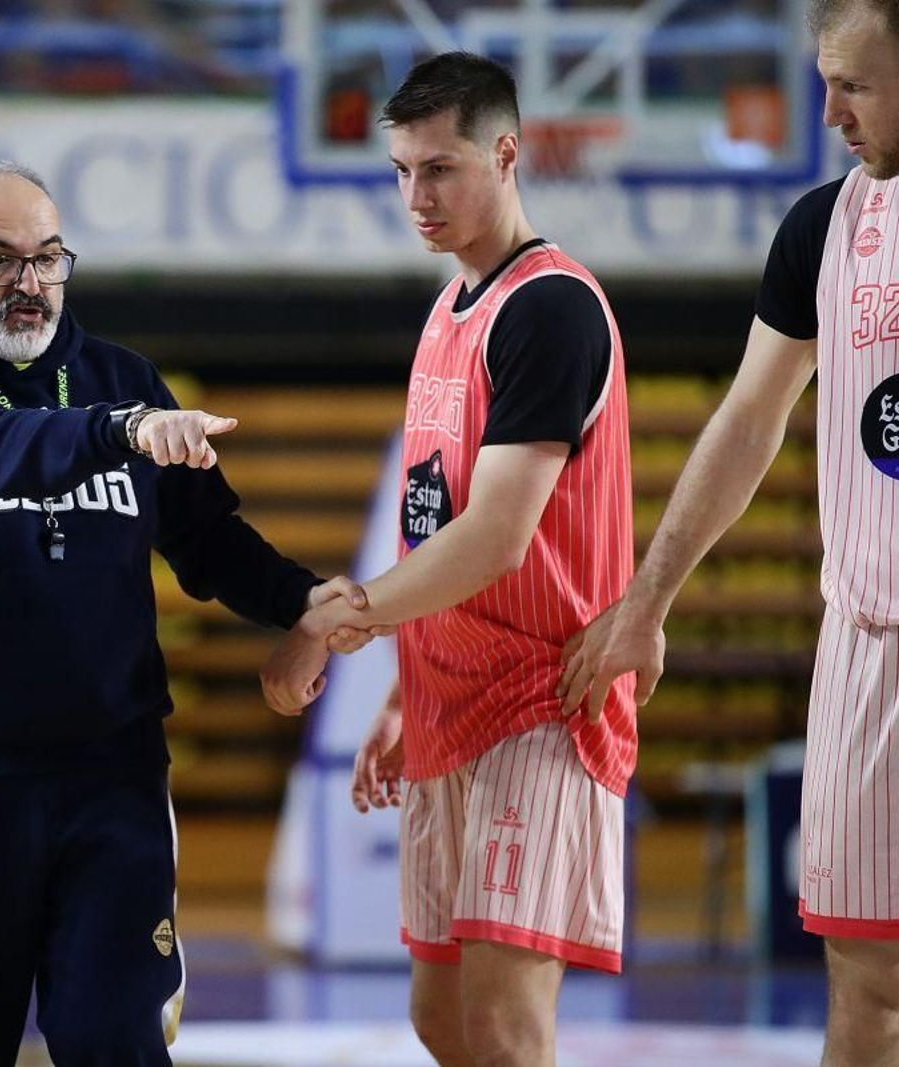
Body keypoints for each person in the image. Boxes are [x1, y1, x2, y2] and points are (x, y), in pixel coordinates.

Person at [0, 158, 376, 1066]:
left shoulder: (121, 376)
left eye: (49, 258)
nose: (31, 283)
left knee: (119, 1046)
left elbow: (208, 540)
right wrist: (117, 430)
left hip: (113, 781)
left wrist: (305, 600)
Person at [558, 1, 899, 1062]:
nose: (828, 113)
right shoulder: (826, 225)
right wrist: (644, 601)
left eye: (852, 86)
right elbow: (747, 419)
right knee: (870, 993)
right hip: (871, 649)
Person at [259, 52, 636, 1066]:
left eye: (438, 169)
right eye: (398, 171)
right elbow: (430, 520)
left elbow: (496, 533)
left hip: (540, 701)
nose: (413, 196)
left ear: (505, 154)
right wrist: (398, 687)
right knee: (442, 1015)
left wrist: (335, 620)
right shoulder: (451, 307)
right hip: (446, 696)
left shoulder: (548, 308)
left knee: (508, 1026)